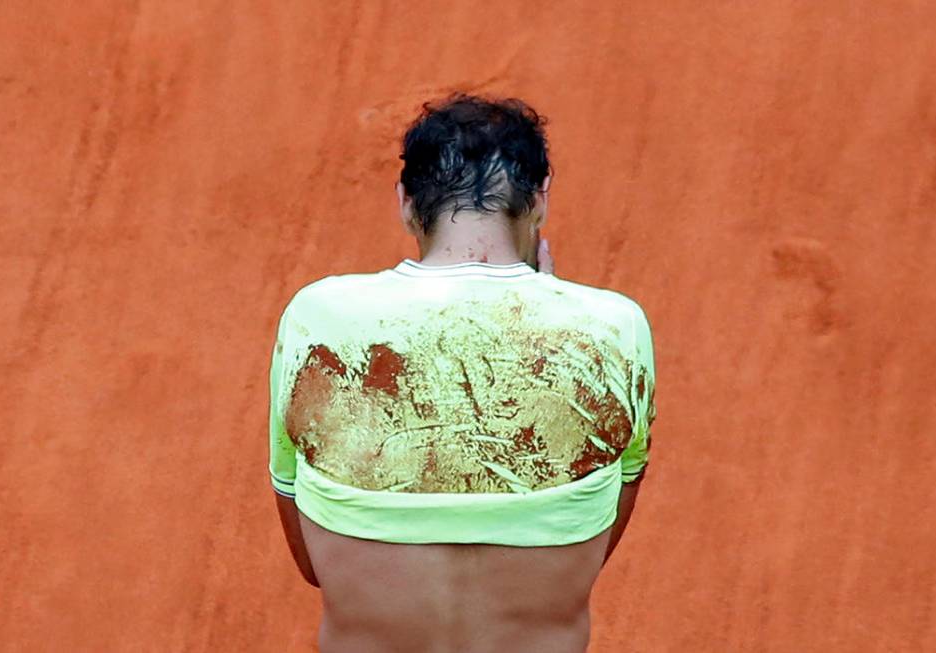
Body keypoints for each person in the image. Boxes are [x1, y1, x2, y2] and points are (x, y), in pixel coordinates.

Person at [268, 93, 657, 653]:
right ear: (539, 201)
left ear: (406, 202)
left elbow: (311, 563)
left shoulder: (315, 318)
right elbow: (597, 538)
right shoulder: (615, 328)